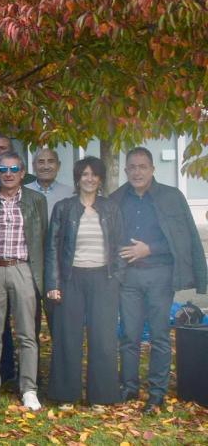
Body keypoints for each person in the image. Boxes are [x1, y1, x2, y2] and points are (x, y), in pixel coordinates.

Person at [110, 146, 207, 413]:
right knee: (129, 335)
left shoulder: (171, 197)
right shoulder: (117, 198)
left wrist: (149, 248)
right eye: (132, 167)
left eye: (143, 166)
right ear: (126, 170)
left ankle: (157, 393)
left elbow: (182, 238)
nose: (137, 172)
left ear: (153, 169)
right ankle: (128, 388)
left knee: (160, 335)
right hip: (128, 276)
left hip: (160, 275)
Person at [44, 156, 123, 406]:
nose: (89, 179)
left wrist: (116, 280)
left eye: (94, 175)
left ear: (100, 179)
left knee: (103, 338)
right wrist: (53, 284)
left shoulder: (111, 208)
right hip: (71, 278)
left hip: (103, 278)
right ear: (77, 179)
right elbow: (53, 248)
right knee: (68, 337)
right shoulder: (64, 208)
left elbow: (120, 245)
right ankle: (66, 395)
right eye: (84, 174)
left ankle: (101, 396)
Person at [0, 151, 48, 411]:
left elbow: (43, 238)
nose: (8, 174)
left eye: (14, 169)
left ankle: (29, 388)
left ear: (22, 173)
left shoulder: (36, 200)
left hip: (23, 269)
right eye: (3, 169)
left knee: (28, 333)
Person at [26, 147, 73, 215]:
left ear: (58, 165)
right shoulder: (23, 191)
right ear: (33, 166)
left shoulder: (70, 193)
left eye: (51, 162)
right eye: (41, 162)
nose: (46, 167)